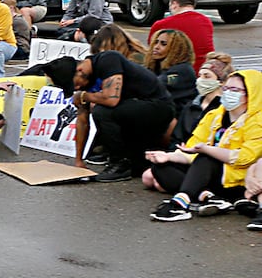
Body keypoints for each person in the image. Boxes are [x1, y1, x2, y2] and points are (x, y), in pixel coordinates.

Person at [146, 71, 262, 221]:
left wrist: (208, 149)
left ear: (251, 94)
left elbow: (244, 157)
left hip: (236, 179)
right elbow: (192, 148)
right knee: (161, 167)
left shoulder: (257, 121)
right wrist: (168, 156)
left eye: (235, 90)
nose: (228, 93)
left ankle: (180, 204)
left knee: (206, 157)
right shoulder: (214, 115)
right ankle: (208, 197)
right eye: (226, 89)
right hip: (207, 173)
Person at [71, 31, 172, 182]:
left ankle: (119, 163)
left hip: (158, 106)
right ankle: (132, 161)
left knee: (102, 111)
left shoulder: (109, 58)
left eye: (77, 84)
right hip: (142, 106)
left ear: (79, 71)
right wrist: (78, 160)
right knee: (103, 110)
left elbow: (111, 100)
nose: (78, 88)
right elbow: (82, 119)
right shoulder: (90, 75)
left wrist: (85, 96)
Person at [147, 0, 213, 72]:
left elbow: (152, 50)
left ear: (174, 4)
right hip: (204, 70)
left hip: (176, 72)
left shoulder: (162, 24)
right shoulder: (206, 21)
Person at [146, 28, 198, 131]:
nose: (156, 47)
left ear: (176, 49)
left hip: (179, 122)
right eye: (156, 42)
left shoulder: (182, 70)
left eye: (163, 44)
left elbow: (155, 85)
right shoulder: (156, 67)